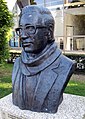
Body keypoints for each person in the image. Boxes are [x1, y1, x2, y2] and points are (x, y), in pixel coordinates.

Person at [12, 5, 75, 113]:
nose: (22, 35)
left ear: (49, 31)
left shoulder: (65, 65)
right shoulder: (17, 63)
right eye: (20, 29)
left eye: (30, 28)